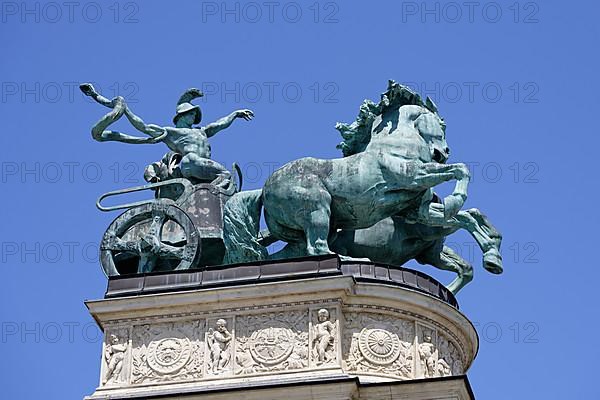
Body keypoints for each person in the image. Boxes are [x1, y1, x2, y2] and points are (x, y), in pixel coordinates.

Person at [80, 83, 253, 187]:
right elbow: (144, 126)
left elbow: (219, 124)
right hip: (190, 161)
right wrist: (125, 109)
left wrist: (235, 114)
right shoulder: (171, 132)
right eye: (191, 113)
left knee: (226, 179)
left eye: (194, 114)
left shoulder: (201, 131)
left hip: (200, 164)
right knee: (225, 175)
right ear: (182, 116)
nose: (194, 116)